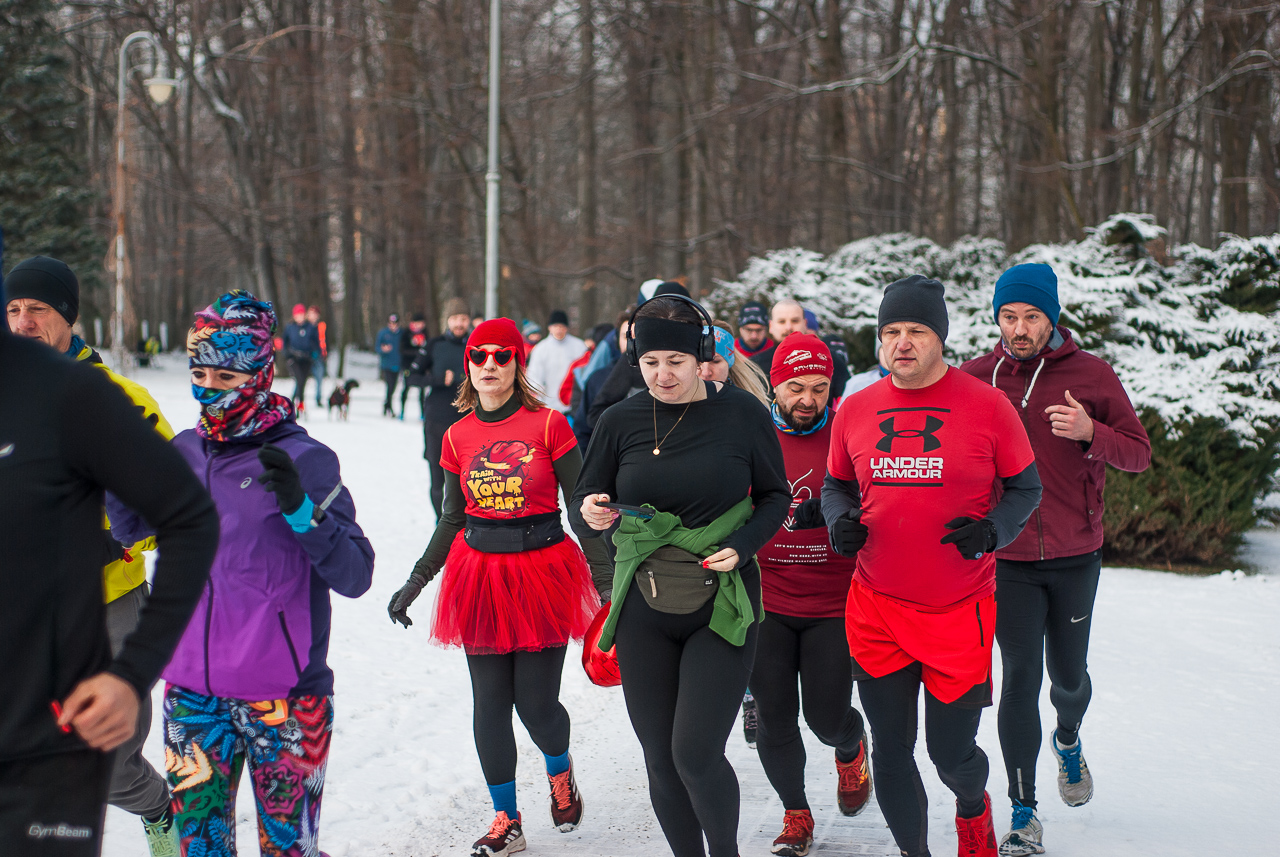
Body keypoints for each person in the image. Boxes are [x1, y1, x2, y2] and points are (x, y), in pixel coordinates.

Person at [821, 275, 1042, 857]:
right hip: (876, 609)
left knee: (951, 756)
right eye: (891, 331)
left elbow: (1026, 488)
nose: (902, 343)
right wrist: (840, 517)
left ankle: (974, 806)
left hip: (957, 612)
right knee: (892, 752)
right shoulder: (856, 409)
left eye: (917, 330)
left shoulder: (988, 406)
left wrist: (994, 530)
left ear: (940, 337)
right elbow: (836, 484)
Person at [0, 269, 219, 857]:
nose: (23, 322)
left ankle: (158, 810)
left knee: (111, 755)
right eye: (14, 308)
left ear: (69, 318)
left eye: (38, 309)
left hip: (106, 608)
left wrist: (115, 540)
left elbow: (180, 510)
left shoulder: (119, 400)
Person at [571, 295, 790, 857]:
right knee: (661, 758)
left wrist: (741, 548)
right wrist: (592, 512)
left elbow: (774, 497)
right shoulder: (618, 420)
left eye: (674, 361)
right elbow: (585, 501)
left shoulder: (741, 412)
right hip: (646, 602)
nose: (662, 375)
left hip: (720, 601)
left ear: (700, 358)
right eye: (649, 363)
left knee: (694, 752)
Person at [161, 290, 374, 856]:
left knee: (288, 851)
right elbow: (125, 529)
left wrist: (305, 514)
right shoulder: (180, 452)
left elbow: (355, 574)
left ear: (259, 373)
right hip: (192, 696)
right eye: (199, 372)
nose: (209, 388)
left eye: (227, 376)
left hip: (284, 698)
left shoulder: (305, 458)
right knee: (200, 851)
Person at [387, 317, 609, 857]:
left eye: (501, 356)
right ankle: (506, 819)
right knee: (489, 703)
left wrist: (607, 589)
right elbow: (450, 517)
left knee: (537, 707)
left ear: (517, 362)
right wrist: (418, 579)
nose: (489, 365)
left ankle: (560, 770)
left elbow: (583, 512)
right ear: (468, 364)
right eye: (479, 356)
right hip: (479, 574)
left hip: (542, 571)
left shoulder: (550, 425)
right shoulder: (456, 435)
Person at [960, 263, 1151, 856]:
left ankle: (1068, 738)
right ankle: (1023, 811)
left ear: (1053, 317)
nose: (1019, 328)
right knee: (1020, 677)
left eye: (1032, 316)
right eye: (1009, 316)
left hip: (1074, 554)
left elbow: (1139, 455)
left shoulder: (1092, 375)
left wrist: (1092, 430)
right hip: (1007, 557)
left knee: (1068, 680)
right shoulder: (974, 378)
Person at [751, 334, 870, 857]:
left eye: (819, 388)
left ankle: (850, 744)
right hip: (767, 600)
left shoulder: (850, 428)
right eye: (795, 387)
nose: (807, 399)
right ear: (775, 384)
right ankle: (795, 813)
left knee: (825, 717)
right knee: (775, 717)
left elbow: (882, 498)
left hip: (832, 602)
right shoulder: (751, 433)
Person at [411, 298, 472, 517]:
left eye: (463, 318)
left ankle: (465, 524)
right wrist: (438, 379)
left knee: (468, 480)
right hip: (437, 420)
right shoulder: (434, 345)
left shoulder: (475, 346)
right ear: (447, 320)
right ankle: (441, 522)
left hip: (468, 422)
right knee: (438, 479)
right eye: (455, 318)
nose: (459, 323)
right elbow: (412, 377)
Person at [525, 310, 587, 413]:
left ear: (566, 328)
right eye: (555, 326)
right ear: (550, 327)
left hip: (573, 405)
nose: (559, 330)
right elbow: (534, 376)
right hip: (549, 405)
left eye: (561, 326)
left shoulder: (579, 346)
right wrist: (539, 399)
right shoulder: (541, 349)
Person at [698, 321, 769, 406]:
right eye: (698, 361)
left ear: (729, 362)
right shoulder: (679, 400)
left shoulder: (748, 405)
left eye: (715, 361)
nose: (706, 372)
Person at [282, 303, 319, 412]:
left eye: (302, 314)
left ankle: (293, 403)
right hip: (294, 358)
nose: (300, 317)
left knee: (302, 381)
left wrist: (315, 353)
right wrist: (287, 354)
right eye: (298, 315)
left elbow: (315, 342)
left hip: (306, 359)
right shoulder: (290, 327)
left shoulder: (310, 327)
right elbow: (285, 343)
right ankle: (300, 403)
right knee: (300, 379)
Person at [400, 313, 430, 419]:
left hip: (421, 366)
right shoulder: (406, 333)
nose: (420, 326)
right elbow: (403, 349)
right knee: (406, 387)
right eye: (418, 323)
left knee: (422, 390)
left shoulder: (425, 333)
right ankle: (402, 411)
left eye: (422, 323)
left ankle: (422, 413)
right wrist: (417, 352)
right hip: (408, 365)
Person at [377, 313, 402, 417]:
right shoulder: (383, 333)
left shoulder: (401, 334)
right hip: (387, 365)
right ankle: (389, 407)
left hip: (398, 364)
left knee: (394, 386)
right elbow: (377, 347)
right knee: (390, 386)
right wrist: (383, 349)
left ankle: (387, 405)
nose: (393, 325)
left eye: (395, 323)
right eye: (391, 323)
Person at [734, 301, 772, 366]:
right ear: (740, 329)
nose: (754, 336)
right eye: (749, 330)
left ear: (766, 329)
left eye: (759, 330)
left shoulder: (775, 350)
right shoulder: (730, 351)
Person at [307, 305, 328, 408]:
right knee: (301, 379)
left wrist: (324, 352)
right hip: (306, 356)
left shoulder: (321, 326)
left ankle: (318, 398)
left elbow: (324, 340)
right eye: (311, 313)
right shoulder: (304, 326)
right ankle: (298, 398)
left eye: (315, 314)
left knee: (319, 378)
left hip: (318, 356)